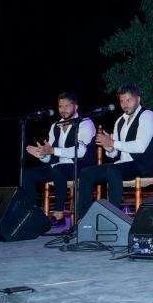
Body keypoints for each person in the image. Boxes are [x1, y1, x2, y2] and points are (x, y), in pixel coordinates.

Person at [77, 83, 153, 219]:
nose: (125, 104)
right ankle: (83, 218)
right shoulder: (120, 121)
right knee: (86, 172)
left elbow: (140, 147)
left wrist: (113, 143)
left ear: (138, 99)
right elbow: (115, 153)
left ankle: (112, 217)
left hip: (144, 166)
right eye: (122, 101)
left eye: (128, 100)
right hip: (124, 165)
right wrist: (109, 148)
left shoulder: (147, 116)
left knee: (114, 170)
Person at [23, 92, 96, 226]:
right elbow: (51, 156)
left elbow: (79, 152)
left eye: (67, 106)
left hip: (81, 167)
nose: (63, 110)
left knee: (58, 170)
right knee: (28, 175)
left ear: (76, 106)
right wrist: (42, 154)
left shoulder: (85, 123)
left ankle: (59, 214)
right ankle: (29, 214)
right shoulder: (55, 126)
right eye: (60, 106)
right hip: (59, 166)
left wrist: (52, 150)